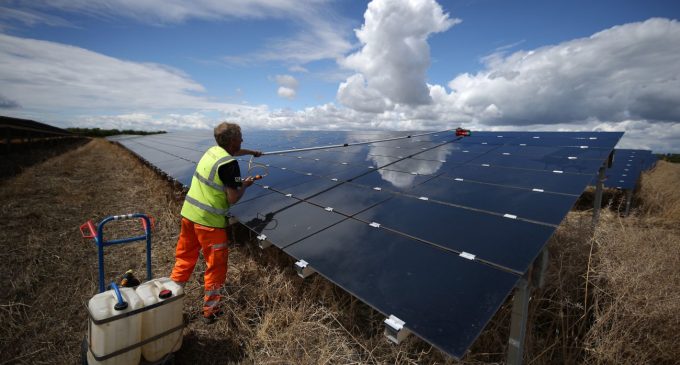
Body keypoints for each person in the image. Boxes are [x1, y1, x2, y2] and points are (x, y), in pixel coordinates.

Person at [170, 122, 261, 323]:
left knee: (185, 258)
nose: (242, 140)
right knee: (216, 267)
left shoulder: (212, 151)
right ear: (231, 141)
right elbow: (233, 198)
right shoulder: (229, 165)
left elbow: (233, 153)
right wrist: (246, 185)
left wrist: (252, 152)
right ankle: (211, 311)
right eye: (240, 138)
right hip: (209, 224)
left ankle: (169, 299)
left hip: (189, 215)